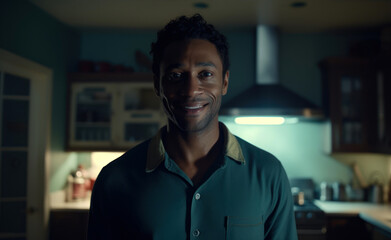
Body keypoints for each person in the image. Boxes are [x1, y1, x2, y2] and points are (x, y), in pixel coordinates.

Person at [87, 14, 297, 240]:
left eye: (205, 74)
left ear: (224, 82)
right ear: (157, 85)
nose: (190, 90)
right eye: (176, 76)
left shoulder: (268, 174)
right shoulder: (114, 179)